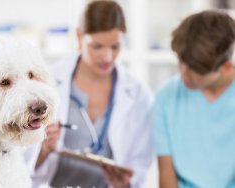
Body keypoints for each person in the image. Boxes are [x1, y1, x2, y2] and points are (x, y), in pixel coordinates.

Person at [23, 0, 154, 188]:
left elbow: (140, 165)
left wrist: (125, 183)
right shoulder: (46, 82)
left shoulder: (138, 94)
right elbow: (21, 164)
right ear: (79, 36)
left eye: (115, 46)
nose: (107, 57)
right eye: (97, 46)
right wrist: (43, 149)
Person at [154, 10, 235, 188]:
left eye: (194, 69)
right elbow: (167, 174)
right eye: (181, 61)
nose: (183, 72)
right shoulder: (166, 97)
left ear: (225, 67)